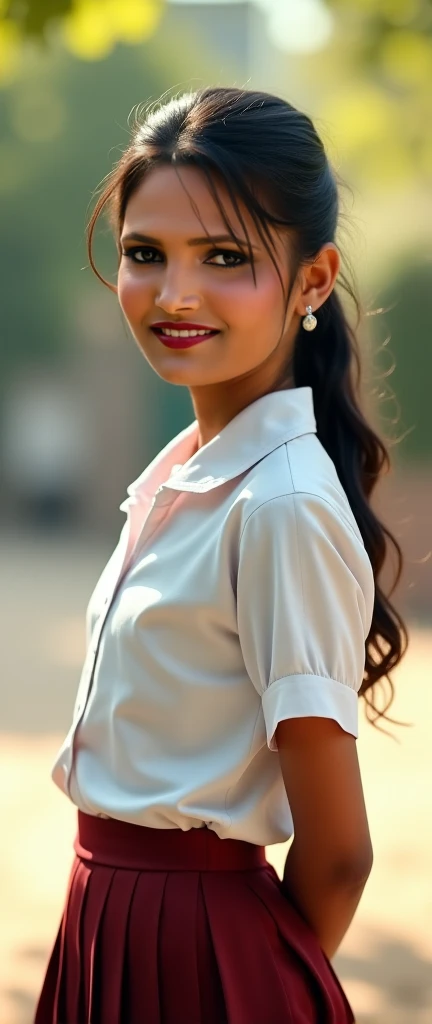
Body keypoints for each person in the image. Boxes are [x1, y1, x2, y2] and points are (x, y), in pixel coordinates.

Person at [33, 86, 409, 1024]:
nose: (176, 294)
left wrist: (247, 983)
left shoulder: (280, 504)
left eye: (226, 258)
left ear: (314, 281)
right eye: (144, 254)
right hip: (106, 915)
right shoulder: (186, 480)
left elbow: (339, 853)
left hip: (200, 948)